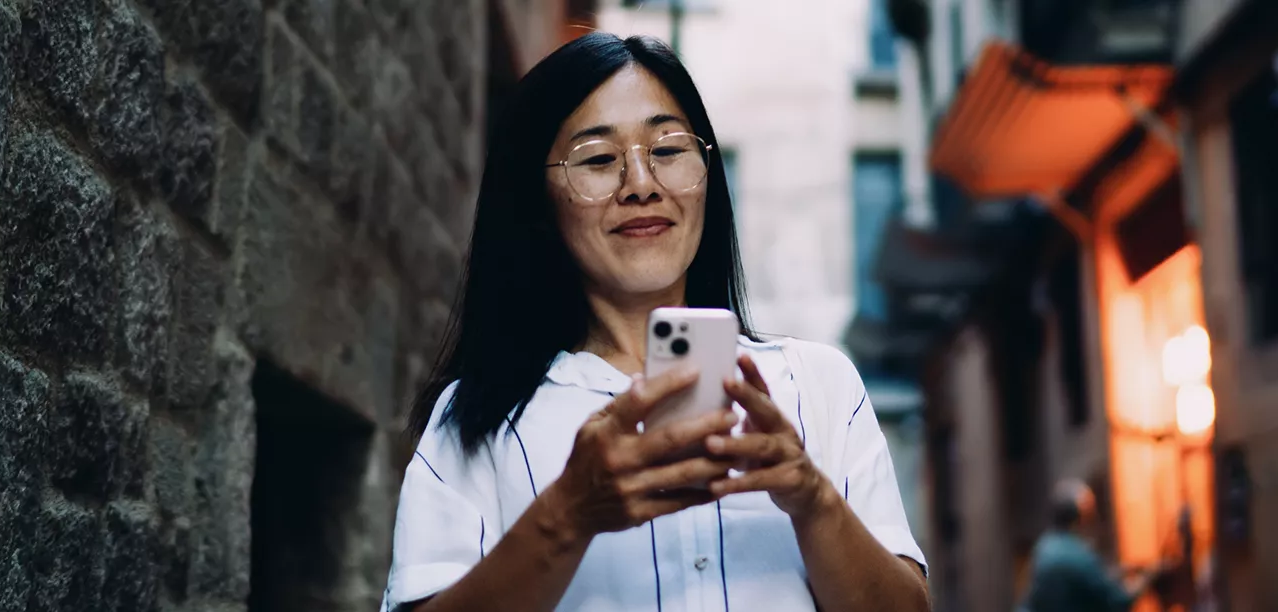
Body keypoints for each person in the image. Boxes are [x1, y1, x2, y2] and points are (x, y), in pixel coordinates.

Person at [381, 33, 929, 612]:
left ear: (708, 175)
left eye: (668, 150)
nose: (642, 185)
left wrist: (811, 497)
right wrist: (568, 514)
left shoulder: (819, 386)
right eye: (597, 160)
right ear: (537, 203)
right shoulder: (479, 419)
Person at [1020, 480, 1160, 612]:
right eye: (1090, 508)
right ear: (1080, 513)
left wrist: (1122, 572)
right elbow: (1117, 602)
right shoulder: (1079, 555)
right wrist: (1149, 576)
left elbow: (1080, 584)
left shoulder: (1045, 546)